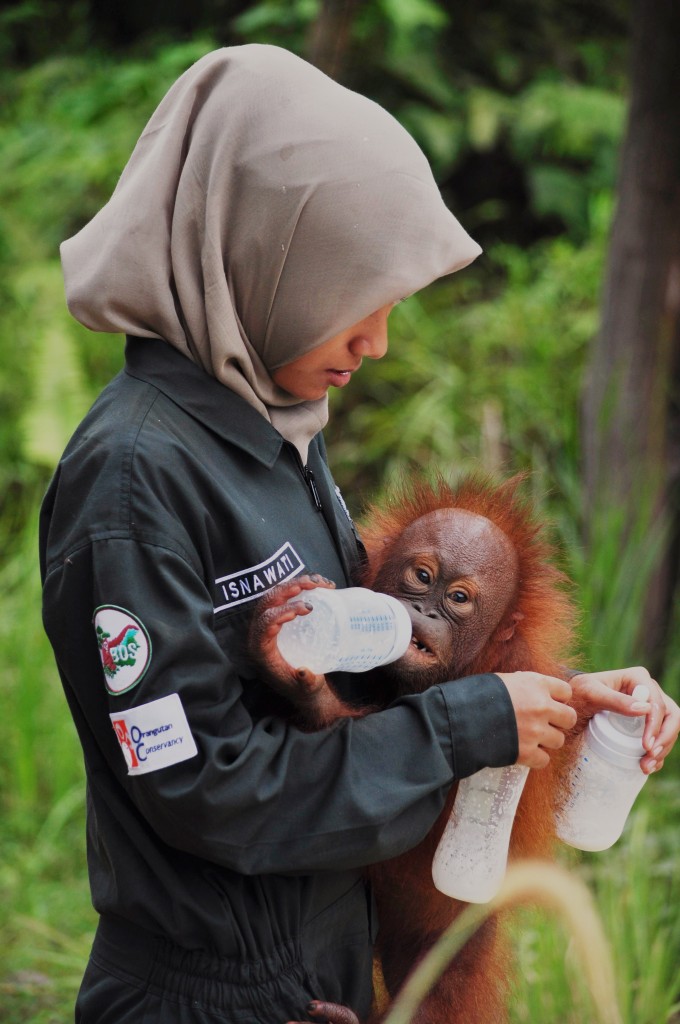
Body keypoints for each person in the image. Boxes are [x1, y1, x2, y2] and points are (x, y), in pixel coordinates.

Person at [39, 44, 679, 1024]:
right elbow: (204, 791)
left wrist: (546, 702)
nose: (375, 339)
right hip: (206, 996)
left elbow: (367, 670)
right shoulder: (135, 480)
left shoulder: (271, 435)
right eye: (355, 294)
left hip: (320, 975)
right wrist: (466, 727)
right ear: (262, 260)